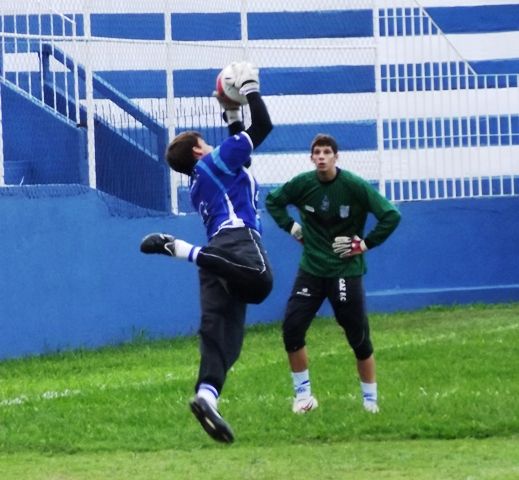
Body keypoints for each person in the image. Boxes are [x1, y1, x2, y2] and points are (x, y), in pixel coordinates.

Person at [140, 61, 274, 443]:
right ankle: (181, 249)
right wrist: (248, 90)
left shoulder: (199, 181)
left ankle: (206, 396)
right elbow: (262, 129)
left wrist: (231, 114)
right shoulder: (215, 161)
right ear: (199, 150)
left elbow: (242, 159)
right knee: (262, 283)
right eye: (206, 142)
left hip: (219, 255)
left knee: (222, 338)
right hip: (237, 242)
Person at [265, 133, 401, 415]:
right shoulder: (303, 184)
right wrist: (292, 228)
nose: (322, 157)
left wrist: (363, 244)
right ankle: (304, 398)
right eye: (317, 152)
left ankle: (370, 401)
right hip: (311, 269)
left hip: (344, 271)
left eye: (327, 152)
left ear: (336, 157)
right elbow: (273, 201)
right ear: (312, 157)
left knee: (358, 337)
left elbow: (391, 215)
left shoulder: (353, 185)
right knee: (292, 329)